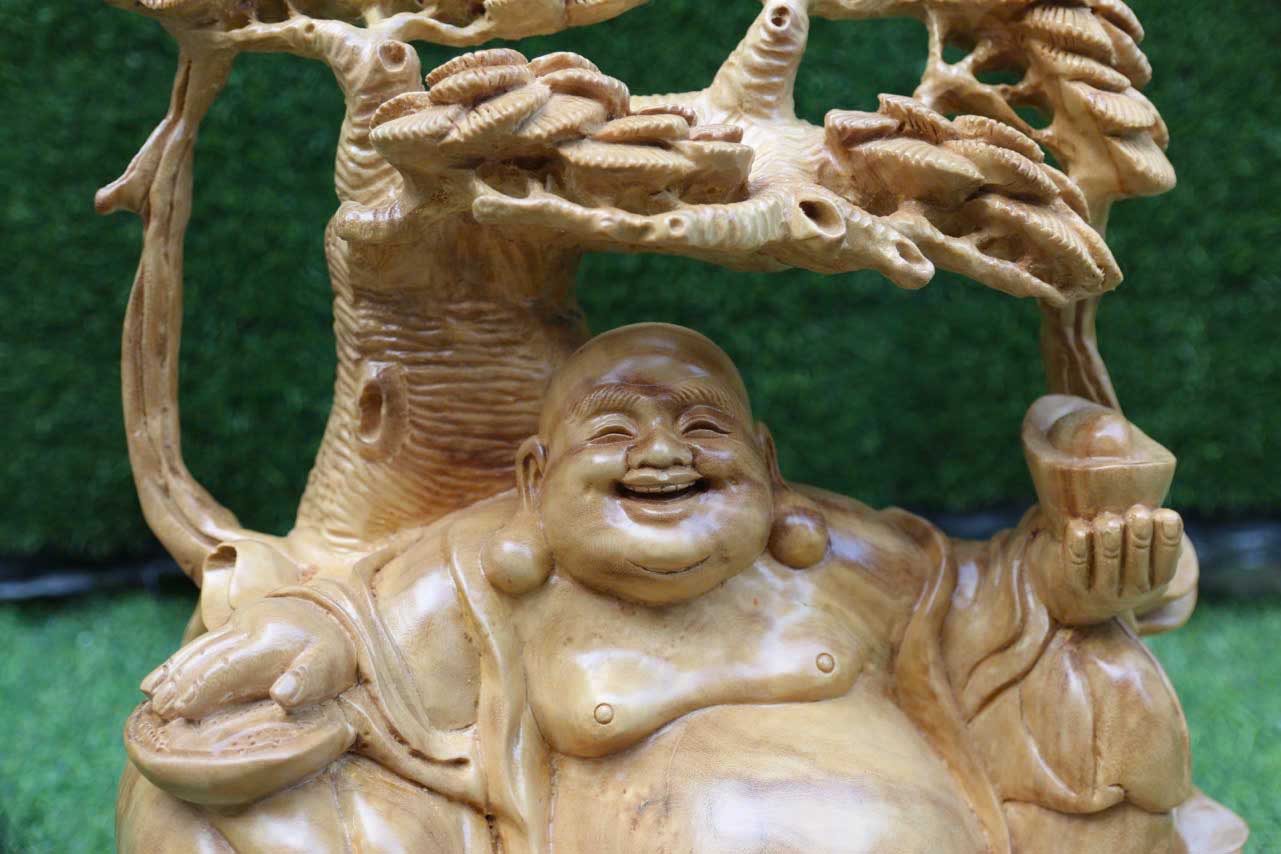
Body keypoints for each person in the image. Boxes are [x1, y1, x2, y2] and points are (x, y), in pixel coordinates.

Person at [120, 323, 1234, 853]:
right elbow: (358, 618)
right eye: (614, 430)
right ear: (535, 476)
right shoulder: (498, 568)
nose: (662, 452)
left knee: (1098, 668)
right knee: (202, 814)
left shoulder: (828, 553)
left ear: (765, 456)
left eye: (701, 426)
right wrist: (297, 638)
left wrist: (1079, 573)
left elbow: (993, 595)